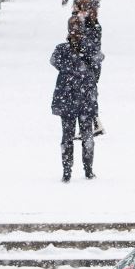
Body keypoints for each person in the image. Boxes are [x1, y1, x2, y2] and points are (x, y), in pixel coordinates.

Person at [50, 16, 102, 181]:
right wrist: (89, 79)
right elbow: (97, 67)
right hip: (86, 95)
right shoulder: (90, 48)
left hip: (67, 95)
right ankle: (88, 169)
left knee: (67, 134)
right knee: (87, 134)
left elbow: (55, 62)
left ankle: (67, 171)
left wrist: (69, 74)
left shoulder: (61, 50)